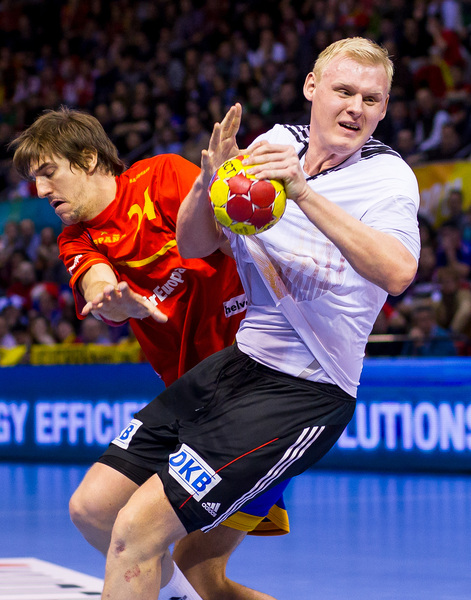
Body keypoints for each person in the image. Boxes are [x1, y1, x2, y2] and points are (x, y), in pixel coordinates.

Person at [89, 37, 420, 599]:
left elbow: (397, 272)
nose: (355, 108)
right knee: (96, 509)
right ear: (312, 88)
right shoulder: (275, 144)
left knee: (136, 535)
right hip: (237, 365)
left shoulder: (388, 177)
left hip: (305, 390)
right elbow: (195, 246)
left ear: (384, 107)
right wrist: (208, 181)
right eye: (343, 91)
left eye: (371, 99)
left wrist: (303, 192)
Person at [10, 107, 290, 600]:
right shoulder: (75, 238)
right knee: (92, 509)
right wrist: (112, 300)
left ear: (89, 159)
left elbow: (226, 236)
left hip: (254, 390)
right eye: (34, 179)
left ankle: (181, 590)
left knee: (200, 575)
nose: (40, 190)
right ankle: (177, 593)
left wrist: (226, 190)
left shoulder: (162, 176)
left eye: (48, 172)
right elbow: (97, 284)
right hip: (188, 398)